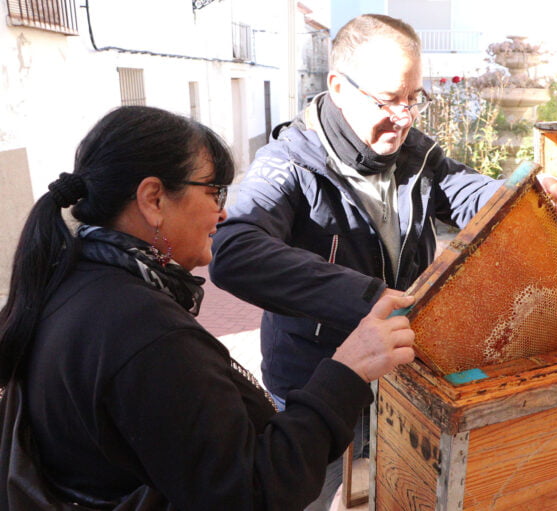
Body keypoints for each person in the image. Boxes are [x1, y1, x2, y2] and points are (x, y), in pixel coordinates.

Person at [209, 13, 557, 510]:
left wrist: (528, 199)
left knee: (397, 488)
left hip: (402, 373)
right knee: (301, 496)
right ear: (339, 87)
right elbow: (234, 249)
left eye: (414, 98)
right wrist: (367, 298)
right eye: (389, 99)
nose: (405, 116)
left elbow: (462, 187)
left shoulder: (413, 152)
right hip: (318, 381)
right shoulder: (288, 164)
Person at [0, 105, 415, 511]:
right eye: (214, 191)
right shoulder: (143, 331)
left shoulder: (75, 279)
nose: (223, 211)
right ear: (153, 200)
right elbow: (250, 491)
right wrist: (348, 369)